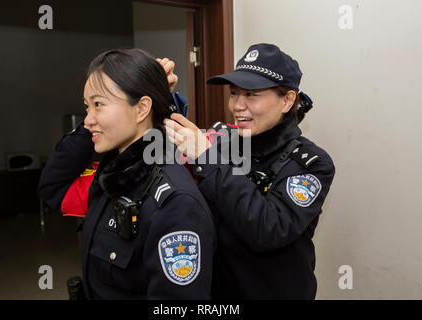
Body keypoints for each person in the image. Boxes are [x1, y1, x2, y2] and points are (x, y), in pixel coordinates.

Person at [38, 48, 215, 299]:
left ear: (142, 108)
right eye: (87, 106)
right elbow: (53, 187)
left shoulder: (175, 203)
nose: (87, 119)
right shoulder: (112, 176)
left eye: (99, 104)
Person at [164, 43, 336, 299]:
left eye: (251, 95)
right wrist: (160, 97)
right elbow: (170, 149)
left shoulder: (310, 162)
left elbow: (268, 229)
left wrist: (207, 157)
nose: (237, 106)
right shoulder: (223, 142)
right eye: (234, 93)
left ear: (287, 100)